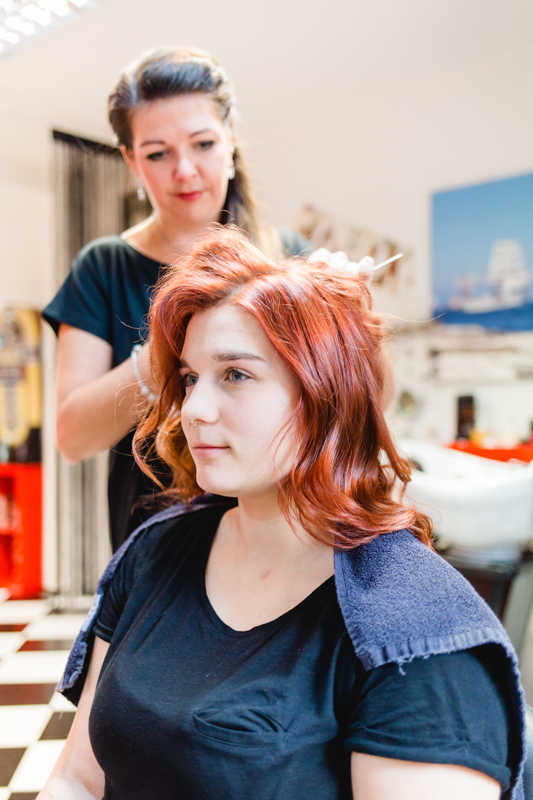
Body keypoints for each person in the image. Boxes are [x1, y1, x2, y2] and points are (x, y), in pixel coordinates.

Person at [39, 228, 524, 800]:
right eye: (191, 378)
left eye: (236, 375)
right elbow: (76, 777)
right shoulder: (153, 552)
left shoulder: (417, 636)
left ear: (327, 392)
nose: (192, 409)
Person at [43, 46, 343, 551]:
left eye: (202, 144)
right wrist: (166, 352)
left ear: (230, 144)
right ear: (132, 163)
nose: (184, 170)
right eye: (158, 153)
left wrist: (352, 314)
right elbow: (73, 437)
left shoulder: (287, 258)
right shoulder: (104, 268)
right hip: (158, 546)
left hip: (286, 538)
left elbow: (351, 403)